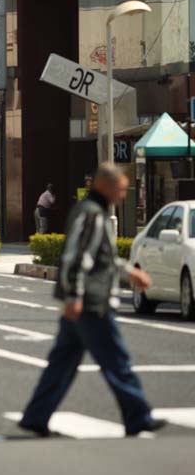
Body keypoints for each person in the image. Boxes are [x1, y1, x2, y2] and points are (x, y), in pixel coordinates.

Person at [18, 163, 166, 438]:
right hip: (91, 303)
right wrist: (75, 296)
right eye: (121, 189)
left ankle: (36, 416)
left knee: (62, 362)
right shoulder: (92, 215)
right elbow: (75, 257)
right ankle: (138, 416)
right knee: (117, 360)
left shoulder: (92, 212)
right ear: (104, 185)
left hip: (83, 302)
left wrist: (130, 272)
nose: (123, 194)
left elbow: (102, 259)